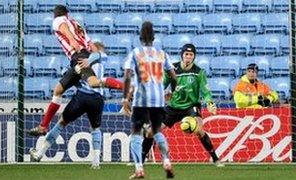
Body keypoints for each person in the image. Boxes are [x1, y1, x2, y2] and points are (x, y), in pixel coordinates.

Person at [27, 5, 123, 136]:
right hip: (80, 58)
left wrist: (73, 43)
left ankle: (127, 87)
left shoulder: (59, 20)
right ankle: (43, 126)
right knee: (58, 90)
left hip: (78, 56)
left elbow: (65, 30)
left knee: (93, 82)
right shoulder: (78, 25)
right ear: (67, 13)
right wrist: (94, 58)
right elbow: (92, 45)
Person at [139, 43, 223, 167]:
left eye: (191, 54)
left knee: (199, 130)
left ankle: (215, 159)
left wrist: (210, 103)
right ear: (182, 55)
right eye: (186, 54)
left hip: (191, 106)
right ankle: (140, 160)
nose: (188, 57)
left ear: (194, 57)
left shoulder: (199, 72)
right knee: (151, 131)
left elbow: (205, 92)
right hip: (173, 107)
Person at [29, 42, 107, 169]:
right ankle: (96, 162)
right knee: (95, 128)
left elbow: (75, 73)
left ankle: (39, 154)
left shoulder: (86, 59)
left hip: (82, 96)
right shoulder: (103, 61)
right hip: (97, 98)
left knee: (62, 122)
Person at [122, 21, 177, 179]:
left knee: (136, 133)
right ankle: (166, 161)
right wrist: (172, 91)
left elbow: (127, 76)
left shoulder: (135, 53)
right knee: (157, 131)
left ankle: (139, 168)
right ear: (154, 38)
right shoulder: (162, 53)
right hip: (158, 100)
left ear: (140, 37)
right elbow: (174, 76)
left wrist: (126, 98)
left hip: (140, 99)